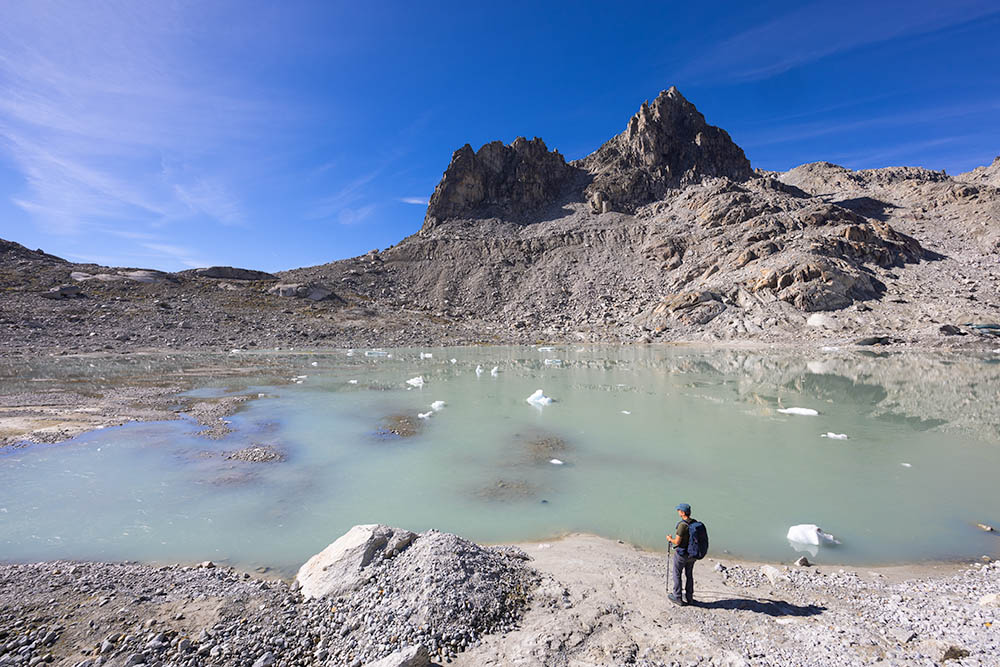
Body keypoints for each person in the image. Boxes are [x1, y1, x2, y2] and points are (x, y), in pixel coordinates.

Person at [665, 502, 696, 606]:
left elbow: (677, 542)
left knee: (677, 574)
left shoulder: (682, 525)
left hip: (682, 555)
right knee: (689, 575)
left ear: (682, 513)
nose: (678, 512)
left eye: (679, 510)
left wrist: (670, 539)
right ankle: (689, 597)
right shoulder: (694, 523)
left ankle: (677, 597)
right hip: (693, 555)